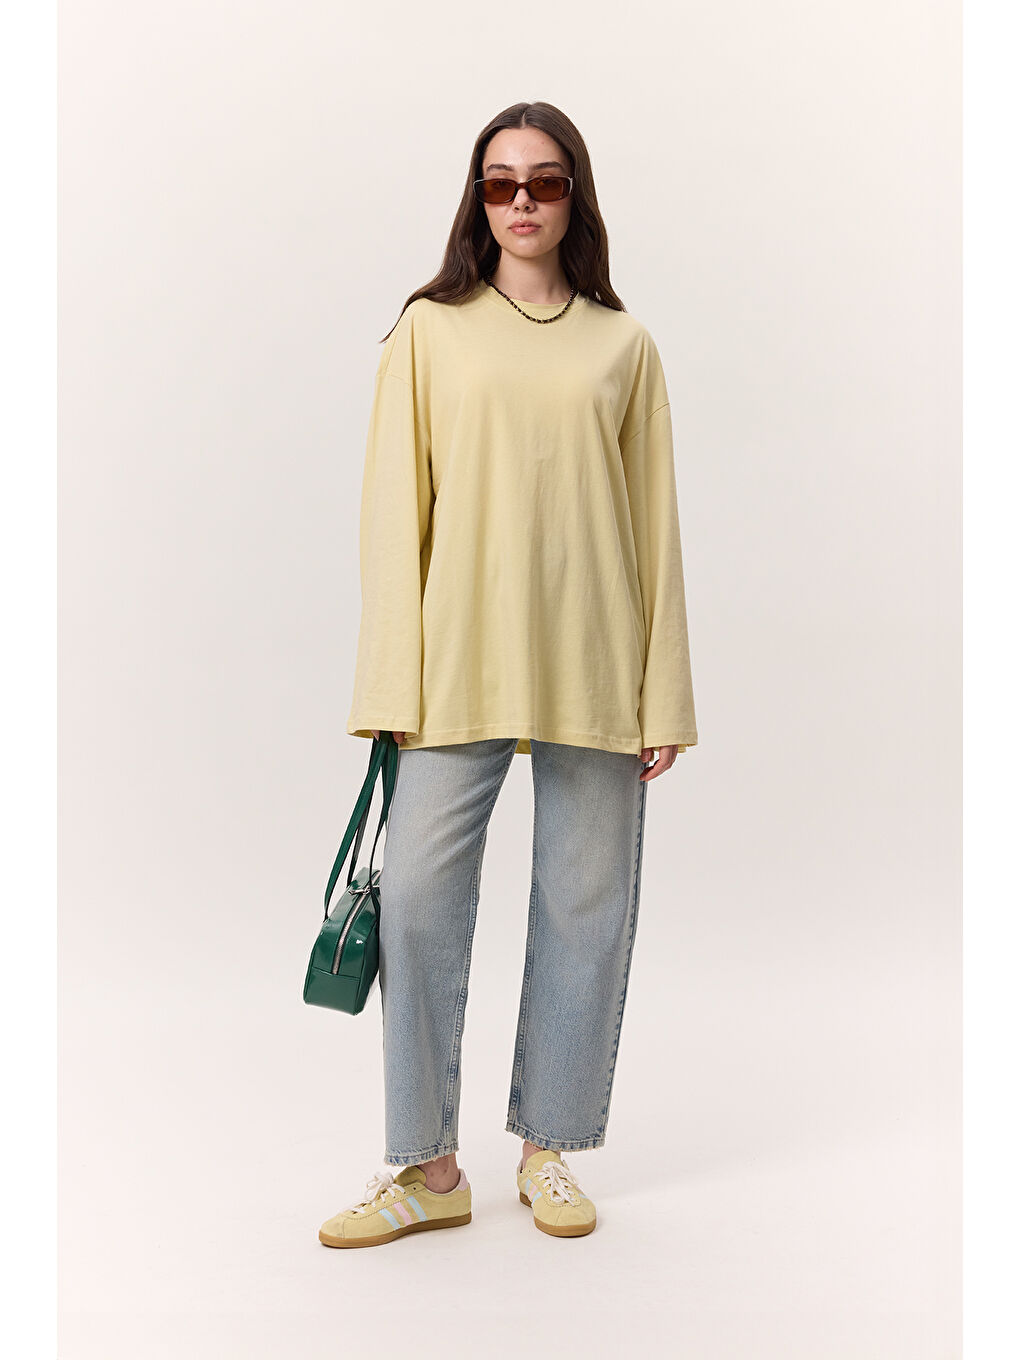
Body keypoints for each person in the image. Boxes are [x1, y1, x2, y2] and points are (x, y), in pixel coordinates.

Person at [318, 100, 698, 1249]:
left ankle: (549, 1147)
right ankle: (427, 1165)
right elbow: (395, 519)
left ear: (575, 196)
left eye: (544, 182)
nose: (522, 201)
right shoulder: (429, 332)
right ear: (477, 200)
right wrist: (389, 686)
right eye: (500, 183)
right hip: (456, 666)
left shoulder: (624, 345)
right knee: (417, 907)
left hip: (595, 660)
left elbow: (655, 528)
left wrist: (664, 693)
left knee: (586, 907)